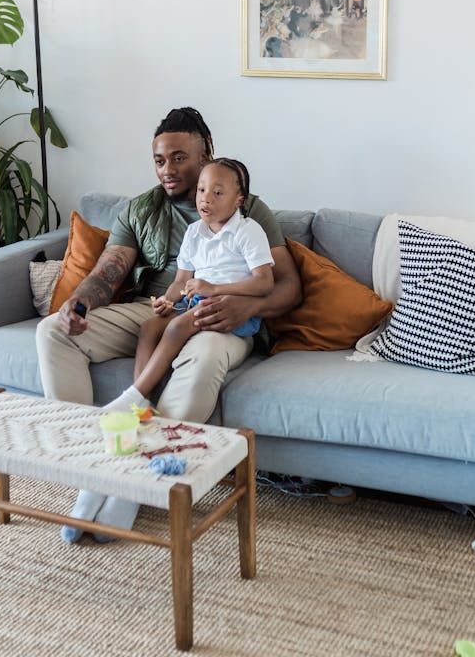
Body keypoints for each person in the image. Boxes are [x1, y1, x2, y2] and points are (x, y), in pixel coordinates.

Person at [35, 106, 301, 541]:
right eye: (160, 160)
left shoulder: (249, 212)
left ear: (207, 153)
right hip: (158, 306)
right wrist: (78, 305)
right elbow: (109, 272)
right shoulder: (141, 209)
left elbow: (288, 287)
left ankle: (136, 485)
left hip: (222, 316)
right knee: (53, 332)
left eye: (179, 157)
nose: (168, 170)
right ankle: (93, 469)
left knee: (206, 355)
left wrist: (246, 308)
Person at [105, 157, 274, 413]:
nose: (206, 198)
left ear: (239, 200)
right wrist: (168, 300)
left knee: (176, 328)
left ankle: (134, 395)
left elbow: (264, 283)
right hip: (194, 303)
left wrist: (215, 289)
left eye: (218, 193)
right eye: (202, 190)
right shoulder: (195, 231)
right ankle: (143, 403)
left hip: (231, 311)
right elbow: (182, 281)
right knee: (150, 327)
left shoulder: (248, 231)